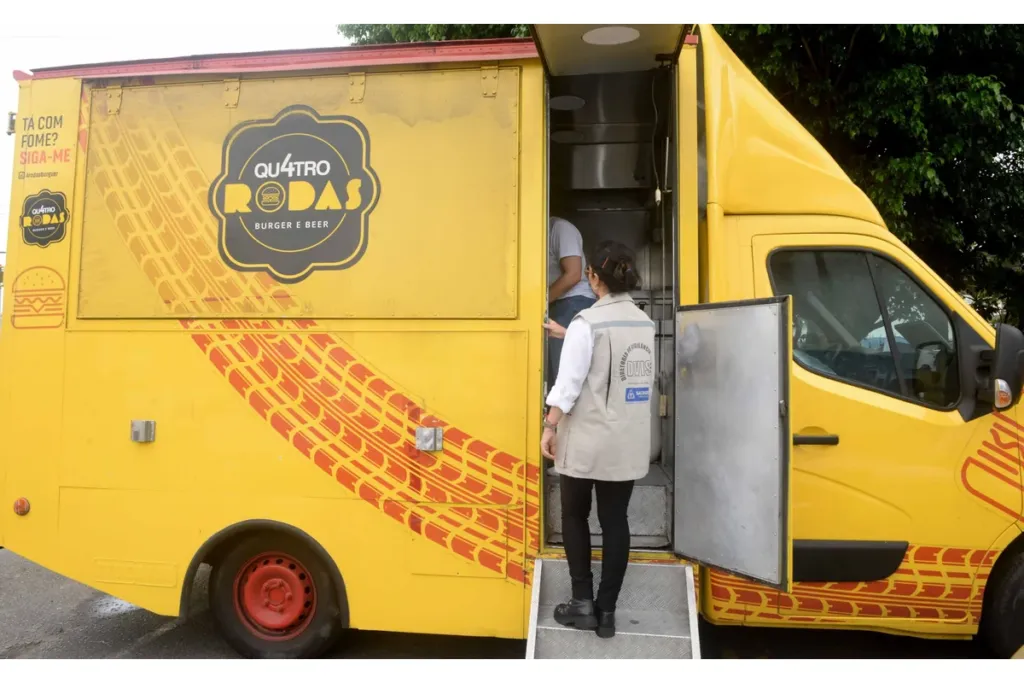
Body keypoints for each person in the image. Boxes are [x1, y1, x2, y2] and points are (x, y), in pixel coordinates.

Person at [540, 241, 655, 640]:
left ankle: (582, 603)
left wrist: (550, 425)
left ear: (592, 276)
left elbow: (568, 384)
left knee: (575, 515)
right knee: (615, 521)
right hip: (627, 438)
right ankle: (607, 612)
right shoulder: (643, 322)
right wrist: (568, 334)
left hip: (587, 437)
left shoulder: (587, 323)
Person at [547, 213, 597, 383]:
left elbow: (573, 274)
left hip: (573, 302)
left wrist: (541, 302)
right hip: (559, 303)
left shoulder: (560, 229)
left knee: (565, 376)